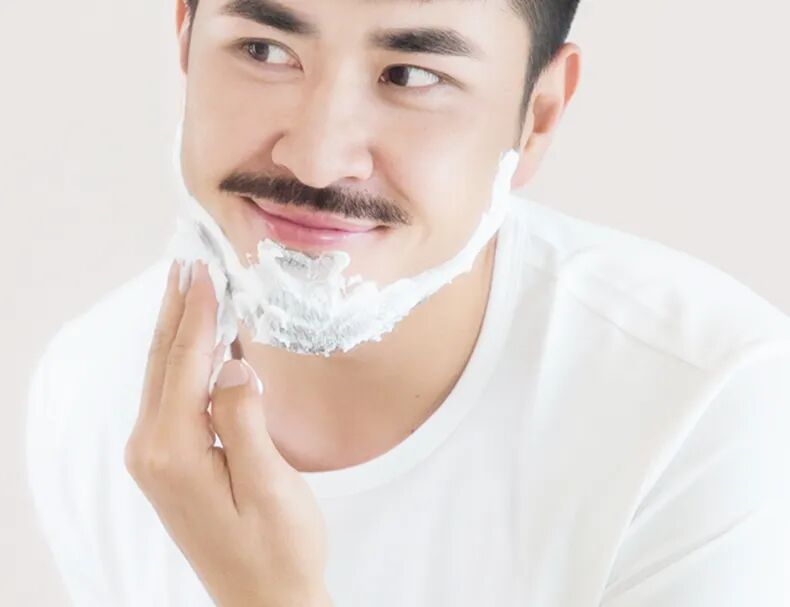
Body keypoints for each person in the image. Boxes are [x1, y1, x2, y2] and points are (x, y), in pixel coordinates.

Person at [25, 0, 790, 605]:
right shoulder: (89, 389)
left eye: (412, 75)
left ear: (539, 115)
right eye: (264, 50)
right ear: (186, 40)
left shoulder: (712, 401)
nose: (316, 157)